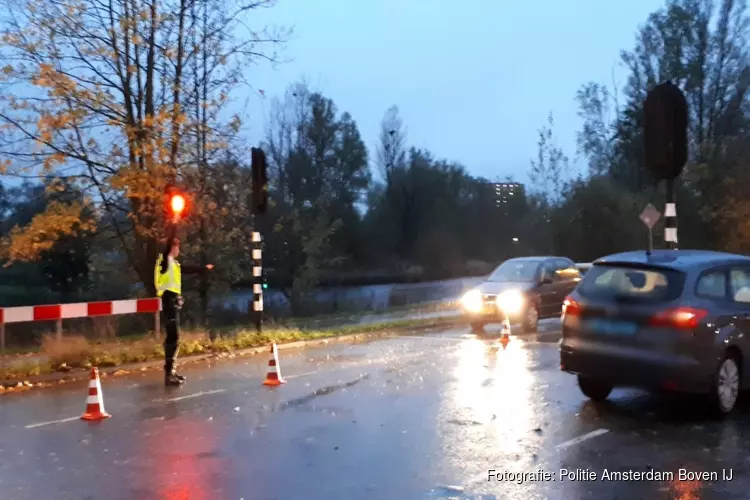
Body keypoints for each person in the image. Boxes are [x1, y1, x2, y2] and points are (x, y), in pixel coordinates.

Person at [154, 236, 214, 386]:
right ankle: (169, 374)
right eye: (177, 246)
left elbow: (186, 269)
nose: (178, 249)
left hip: (172, 300)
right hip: (168, 299)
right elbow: (168, 246)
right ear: (172, 248)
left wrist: (203, 269)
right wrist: (174, 221)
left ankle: (171, 372)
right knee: (173, 336)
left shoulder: (173, 264)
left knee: (174, 336)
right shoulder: (164, 262)